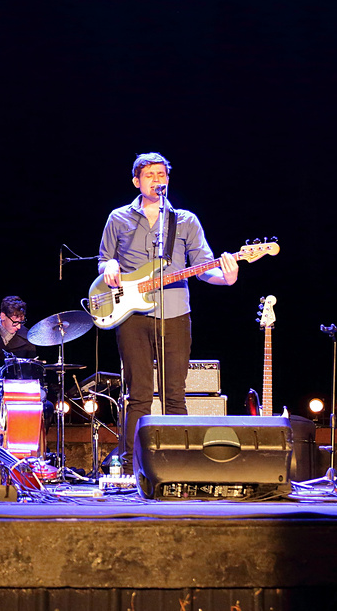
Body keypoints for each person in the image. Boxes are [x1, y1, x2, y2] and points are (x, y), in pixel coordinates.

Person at [98, 152, 239, 463]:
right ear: (136, 182)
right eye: (149, 175)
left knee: (175, 394)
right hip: (132, 314)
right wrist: (108, 265)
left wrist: (226, 278)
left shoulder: (186, 220)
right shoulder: (118, 218)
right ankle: (131, 463)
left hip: (175, 313)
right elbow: (104, 260)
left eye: (161, 175)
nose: (157, 180)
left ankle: (177, 462)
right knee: (139, 395)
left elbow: (203, 268)